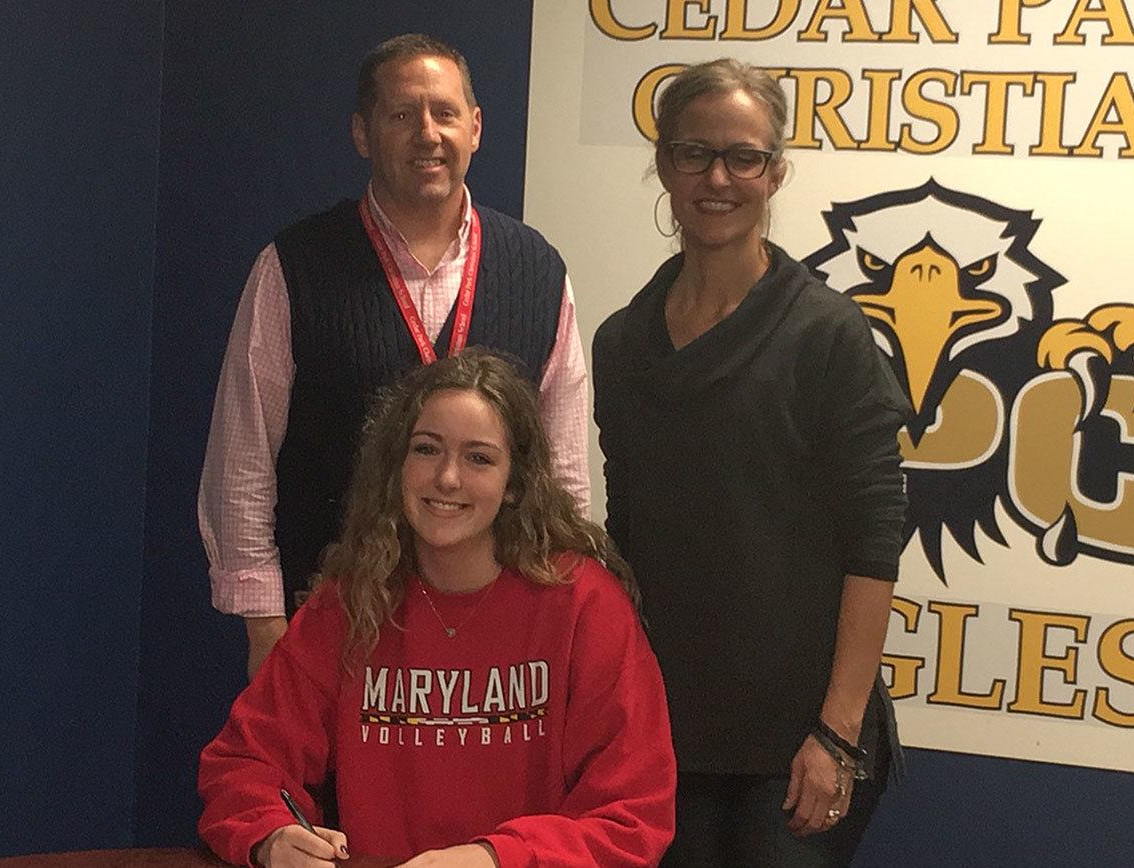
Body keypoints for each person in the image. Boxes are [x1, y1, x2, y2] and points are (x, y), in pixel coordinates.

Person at [592, 59, 910, 867]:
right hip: (667, 737)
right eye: (695, 153)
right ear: (664, 164)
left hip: (798, 745)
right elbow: (627, 541)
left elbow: (875, 544)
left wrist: (837, 734)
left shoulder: (828, 335)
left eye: (745, 157)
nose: (719, 178)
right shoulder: (623, 343)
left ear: (776, 171)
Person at [198, 34, 591, 678]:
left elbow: (564, 472)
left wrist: (564, 601)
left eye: (445, 112)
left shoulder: (537, 269)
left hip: (497, 629)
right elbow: (242, 459)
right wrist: (266, 624)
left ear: (476, 128)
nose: (427, 133)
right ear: (363, 132)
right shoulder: (294, 266)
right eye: (402, 115)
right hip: (334, 619)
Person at [198, 349, 676, 868]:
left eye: (478, 458)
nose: (447, 478)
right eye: (426, 450)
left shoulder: (584, 604)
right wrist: (272, 835)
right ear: (397, 466)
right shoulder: (351, 603)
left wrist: (495, 860)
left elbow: (633, 815)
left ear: (515, 483)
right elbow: (243, 764)